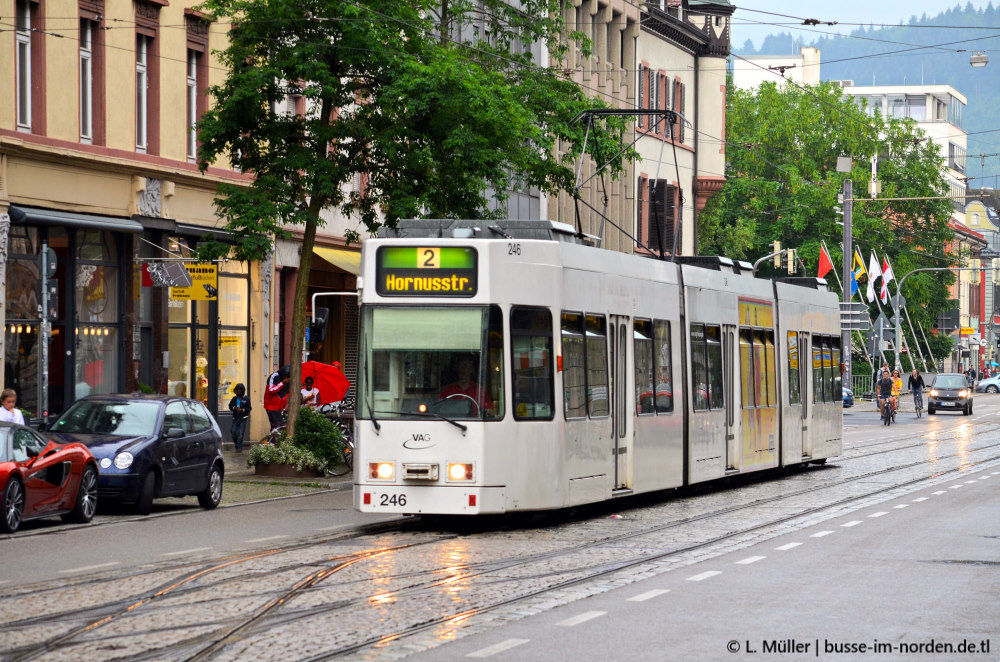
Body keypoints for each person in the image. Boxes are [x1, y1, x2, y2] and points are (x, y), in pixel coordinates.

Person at [264, 365, 290, 431]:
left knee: (282, 426)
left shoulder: (289, 381)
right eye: (286, 376)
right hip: (272, 407)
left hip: (282, 407)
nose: (287, 378)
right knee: (275, 427)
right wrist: (282, 383)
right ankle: (273, 437)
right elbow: (271, 390)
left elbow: (288, 393)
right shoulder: (274, 376)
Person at [228, 383, 251, 453]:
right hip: (235, 418)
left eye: (240, 390)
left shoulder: (246, 399)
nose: (238, 391)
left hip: (243, 418)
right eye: (237, 390)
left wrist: (242, 410)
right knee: (233, 432)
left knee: (240, 434)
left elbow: (249, 408)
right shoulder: (234, 398)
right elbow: (230, 406)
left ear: (242, 390)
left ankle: (239, 448)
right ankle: (237, 445)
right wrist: (234, 408)